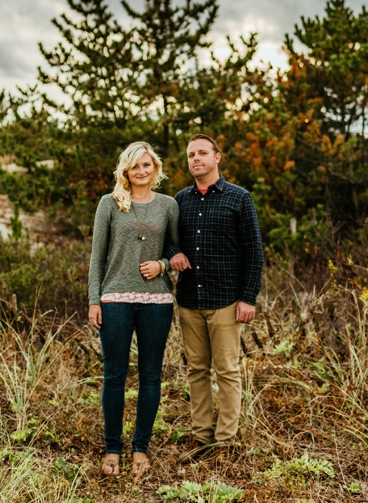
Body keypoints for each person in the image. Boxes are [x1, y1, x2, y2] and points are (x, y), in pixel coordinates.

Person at [165, 134, 263, 457]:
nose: (196, 159)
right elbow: (167, 240)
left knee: (227, 370)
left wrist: (248, 297)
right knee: (196, 370)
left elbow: (254, 252)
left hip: (226, 301)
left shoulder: (239, 198)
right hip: (190, 300)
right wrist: (175, 252)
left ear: (217, 157)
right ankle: (202, 436)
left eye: (202, 153)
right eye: (191, 154)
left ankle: (226, 441)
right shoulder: (180, 200)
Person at [88, 142, 180, 476]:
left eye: (147, 165)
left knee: (151, 375)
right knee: (114, 375)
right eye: (134, 166)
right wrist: (93, 300)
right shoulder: (109, 204)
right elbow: (97, 256)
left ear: (155, 168)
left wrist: (162, 263)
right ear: (125, 171)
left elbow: (177, 249)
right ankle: (113, 447)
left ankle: (141, 447)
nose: (141, 171)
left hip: (156, 301)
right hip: (115, 300)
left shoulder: (169, 205)